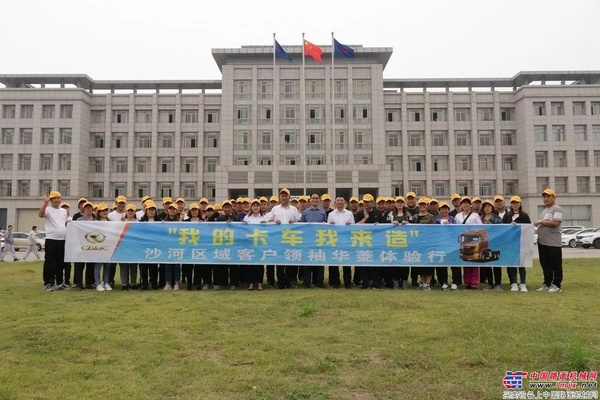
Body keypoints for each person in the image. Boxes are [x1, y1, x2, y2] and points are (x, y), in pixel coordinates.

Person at [269, 188, 301, 289]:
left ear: (289, 197)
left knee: (289, 260)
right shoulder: (275, 209)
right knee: (279, 261)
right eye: (282, 196)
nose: (284, 197)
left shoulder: (294, 209)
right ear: (280, 197)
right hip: (278, 239)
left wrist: (294, 222)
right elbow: (268, 220)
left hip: (290, 239)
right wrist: (274, 222)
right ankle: (280, 283)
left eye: (285, 196)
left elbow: (300, 223)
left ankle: (289, 282)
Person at [534, 188, 563, 293]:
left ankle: (556, 285)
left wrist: (541, 222)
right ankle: (547, 283)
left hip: (553, 243)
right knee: (545, 264)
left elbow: (555, 223)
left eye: (548, 196)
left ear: (554, 198)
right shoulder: (544, 210)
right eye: (544, 197)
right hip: (542, 242)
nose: (546, 199)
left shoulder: (557, 209)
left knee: (555, 264)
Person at [38, 191, 68, 291]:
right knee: (50, 262)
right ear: (51, 200)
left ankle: (59, 282)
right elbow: (40, 214)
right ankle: (48, 283)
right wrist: (45, 203)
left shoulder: (63, 211)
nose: (56, 200)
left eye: (58, 198)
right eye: (54, 198)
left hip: (61, 240)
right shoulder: (48, 209)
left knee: (60, 262)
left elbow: (64, 223)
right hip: (51, 239)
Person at [502, 195, 531, 292]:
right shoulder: (507, 216)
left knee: (521, 263)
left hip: (522, 243)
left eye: (516, 203)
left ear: (520, 204)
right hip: (510, 244)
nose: (515, 204)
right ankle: (513, 283)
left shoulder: (524, 216)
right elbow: (503, 229)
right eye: (513, 203)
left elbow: (528, 229)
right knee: (511, 264)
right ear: (510, 204)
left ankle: (523, 283)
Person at [454, 197, 482, 290]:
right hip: (462, 242)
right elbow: (454, 229)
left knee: (474, 263)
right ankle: (467, 282)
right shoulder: (457, 216)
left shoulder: (475, 216)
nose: (465, 204)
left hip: (474, 241)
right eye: (463, 203)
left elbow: (481, 228)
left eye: (467, 203)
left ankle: (474, 283)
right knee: (466, 263)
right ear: (461, 205)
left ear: (470, 205)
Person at [327, 196, 355, 289]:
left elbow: (354, 227)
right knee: (334, 261)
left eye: (342, 200)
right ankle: (335, 282)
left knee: (346, 261)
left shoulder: (349, 214)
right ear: (335, 203)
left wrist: (349, 225)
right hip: (334, 240)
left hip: (346, 240)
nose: (340, 202)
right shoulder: (331, 214)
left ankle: (347, 282)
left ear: (345, 203)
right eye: (338, 200)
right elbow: (328, 228)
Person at [300, 193, 327, 288]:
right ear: (310, 200)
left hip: (319, 240)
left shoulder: (323, 212)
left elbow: (325, 225)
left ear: (319, 200)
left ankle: (319, 282)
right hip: (307, 241)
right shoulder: (305, 212)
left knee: (319, 261)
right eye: (313, 198)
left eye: (317, 198)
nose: (315, 200)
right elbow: (301, 227)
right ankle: (307, 283)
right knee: (307, 262)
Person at [243, 199, 268, 290]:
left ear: (260, 207)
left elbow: (269, 229)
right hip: (250, 243)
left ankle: (260, 282)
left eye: (257, 205)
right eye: (254, 205)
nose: (256, 207)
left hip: (260, 243)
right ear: (251, 207)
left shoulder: (264, 218)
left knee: (259, 264)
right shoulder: (247, 218)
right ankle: (251, 283)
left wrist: (266, 224)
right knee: (251, 264)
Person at [413, 198, 436, 290]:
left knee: (429, 263)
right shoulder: (415, 216)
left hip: (428, 243)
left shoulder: (431, 217)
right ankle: (422, 282)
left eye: (424, 204)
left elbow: (434, 230)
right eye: (421, 204)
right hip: (418, 243)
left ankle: (428, 283)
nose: (422, 206)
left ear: (427, 206)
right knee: (421, 263)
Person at [139, 200, 162, 291]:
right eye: (149, 209)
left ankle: (154, 284)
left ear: (155, 211)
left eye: (153, 210)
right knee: (143, 267)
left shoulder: (159, 221)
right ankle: (144, 285)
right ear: (146, 211)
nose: (151, 211)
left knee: (154, 267)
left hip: (155, 247)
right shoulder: (141, 221)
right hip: (144, 247)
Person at [480, 199, 503, 291]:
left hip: (495, 243)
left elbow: (501, 230)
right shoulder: (480, 218)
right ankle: (490, 283)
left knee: (496, 264)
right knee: (487, 264)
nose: (487, 208)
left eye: (489, 206)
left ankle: (498, 284)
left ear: (492, 208)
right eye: (485, 207)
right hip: (484, 244)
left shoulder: (497, 218)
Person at [435, 202, 455, 290]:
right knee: (442, 264)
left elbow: (457, 230)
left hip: (452, 245)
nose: (444, 210)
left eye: (446, 209)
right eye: (442, 209)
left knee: (454, 265)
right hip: (440, 245)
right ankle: (443, 282)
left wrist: (451, 226)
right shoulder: (436, 221)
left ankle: (455, 282)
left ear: (448, 210)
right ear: (439, 210)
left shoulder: (453, 219)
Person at [120, 204, 139, 291]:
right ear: (126, 212)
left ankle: (133, 283)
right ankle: (124, 283)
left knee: (133, 266)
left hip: (134, 247)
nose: (130, 212)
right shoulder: (121, 223)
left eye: (132, 211)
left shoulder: (138, 223)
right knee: (124, 266)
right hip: (123, 246)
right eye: (129, 211)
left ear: (135, 212)